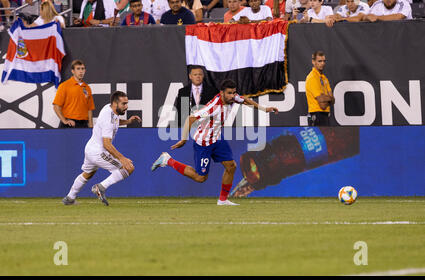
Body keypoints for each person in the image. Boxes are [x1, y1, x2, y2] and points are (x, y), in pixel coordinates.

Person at [151, 79, 279, 206]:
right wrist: (184, 139)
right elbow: (190, 119)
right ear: (221, 92)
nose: (232, 96)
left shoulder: (233, 98)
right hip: (204, 142)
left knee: (231, 166)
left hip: (217, 139)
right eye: (229, 93)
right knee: (200, 178)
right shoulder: (214, 107)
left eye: (234, 93)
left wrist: (264, 109)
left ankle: (222, 200)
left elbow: (244, 99)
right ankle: (167, 160)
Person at [62, 91, 142, 206]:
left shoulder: (108, 109)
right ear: (115, 104)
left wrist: (128, 121)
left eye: (126, 103)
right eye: (123, 104)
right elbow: (107, 144)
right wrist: (122, 158)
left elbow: (115, 121)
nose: (126, 106)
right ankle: (100, 187)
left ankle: (70, 197)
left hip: (90, 148)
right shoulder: (109, 118)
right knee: (128, 168)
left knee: (88, 173)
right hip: (98, 152)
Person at [53, 60, 95, 129]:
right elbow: (56, 106)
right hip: (69, 125)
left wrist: (91, 125)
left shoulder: (87, 88)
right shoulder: (64, 86)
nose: (81, 71)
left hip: (84, 125)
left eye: (82, 69)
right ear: (73, 71)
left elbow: (89, 109)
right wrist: (64, 121)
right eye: (78, 69)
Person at [305, 51, 334, 126]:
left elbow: (333, 100)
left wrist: (326, 98)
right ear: (313, 62)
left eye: (324, 61)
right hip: (316, 115)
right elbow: (322, 103)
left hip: (325, 115)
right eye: (319, 61)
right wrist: (328, 98)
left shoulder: (324, 78)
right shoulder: (312, 77)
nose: (322, 63)